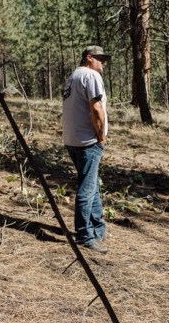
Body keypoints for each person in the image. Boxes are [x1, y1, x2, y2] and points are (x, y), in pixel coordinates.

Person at [62, 45, 111, 254]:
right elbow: (96, 107)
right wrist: (100, 136)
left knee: (92, 185)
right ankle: (84, 235)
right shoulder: (91, 75)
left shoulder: (73, 77)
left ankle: (97, 229)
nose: (103, 63)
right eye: (100, 58)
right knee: (87, 188)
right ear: (89, 58)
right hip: (88, 141)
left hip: (72, 140)